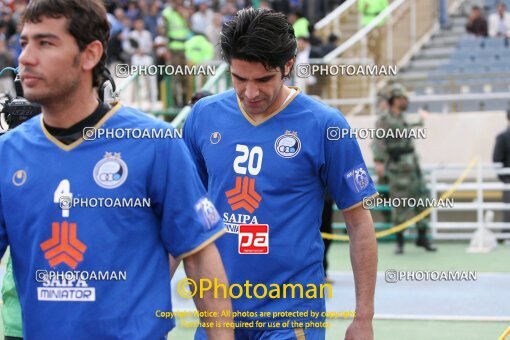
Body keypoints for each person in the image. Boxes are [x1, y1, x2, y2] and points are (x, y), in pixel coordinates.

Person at [0, 0, 233, 338]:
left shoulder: (155, 142)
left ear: (90, 54)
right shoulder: (8, 153)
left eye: (45, 43)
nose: (25, 58)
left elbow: (198, 256)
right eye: (24, 43)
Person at [184, 8, 378, 340]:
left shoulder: (324, 125)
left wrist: (363, 318)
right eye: (239, 78)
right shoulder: (204, 115)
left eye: (263, 80)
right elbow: (185, 213)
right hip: (219, 314)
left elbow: (359, 223)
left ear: (288, 66)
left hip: (291, 315)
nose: (250, 93)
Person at [372, 84, 437, 254]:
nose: (406, 101)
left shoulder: (403, 118)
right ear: (394, 100)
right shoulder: (385, 119)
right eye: (402, 98)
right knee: (400, 204)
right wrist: (378, 162)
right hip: (398, 167)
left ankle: (422, 236)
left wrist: (421, 120)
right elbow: (378, 142)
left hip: (413, 166)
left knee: (422, 200)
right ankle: (399, 241)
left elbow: (409, 129)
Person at [493, 110, 510, 234]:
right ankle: (507, 234)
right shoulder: (502, 137)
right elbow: (497, 160)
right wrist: (505, 179)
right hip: (508, 180)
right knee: (508, 209)